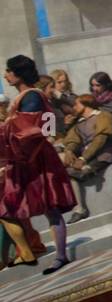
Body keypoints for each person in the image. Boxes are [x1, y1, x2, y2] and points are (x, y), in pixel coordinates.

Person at [1, 55, 76, 273]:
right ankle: (28, 251)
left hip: (35, 159)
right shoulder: (31, 97)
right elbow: (48, 126)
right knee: (8, 208)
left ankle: (59, 256)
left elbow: (31, 131)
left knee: (50, 208)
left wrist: (5, 129)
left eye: (8, 71)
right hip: (29, 158)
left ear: (17, 74)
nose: (5, 75)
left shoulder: (31, 96)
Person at [56, 94, 112, 222]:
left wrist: (83, 159)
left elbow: (100, 140)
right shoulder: (79, 122)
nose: (74, 107)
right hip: (84, 156)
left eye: (77, 104)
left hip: (101, 155)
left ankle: (80, 210)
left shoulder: (103, 116)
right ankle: (79, 209)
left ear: (86, 104)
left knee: (75, 172)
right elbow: (73, 140)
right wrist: (69, 150)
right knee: (64, 171)